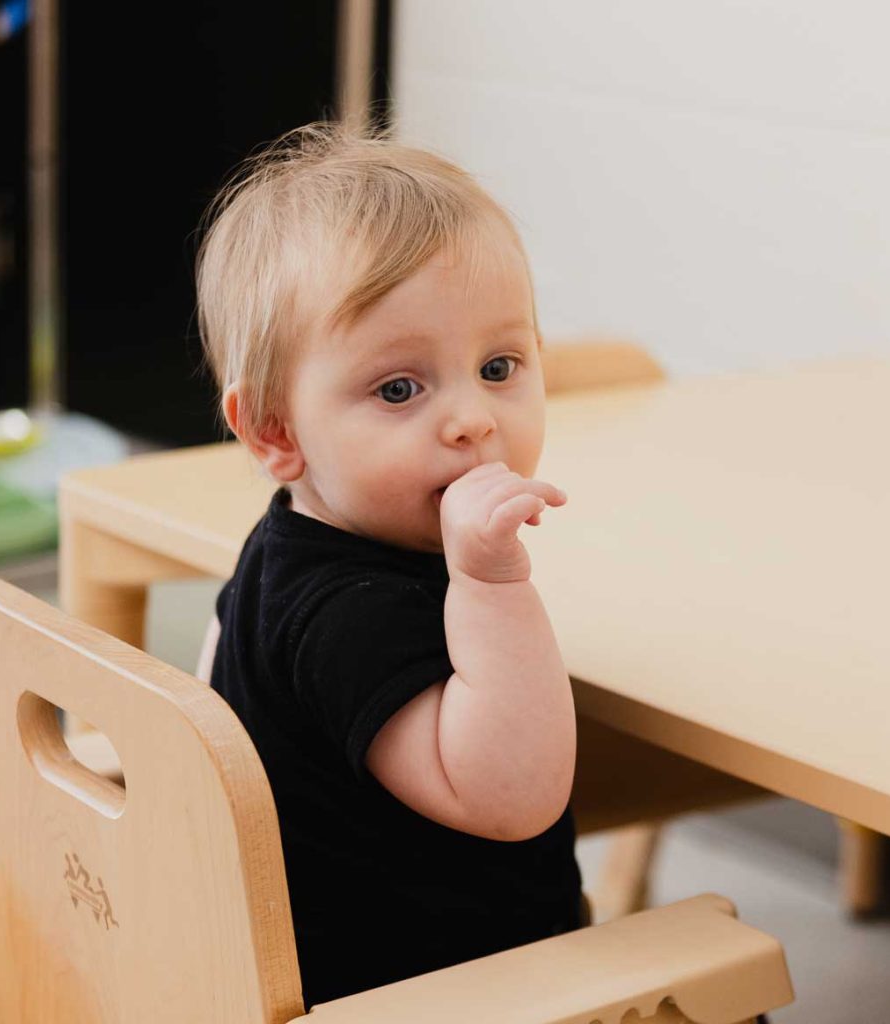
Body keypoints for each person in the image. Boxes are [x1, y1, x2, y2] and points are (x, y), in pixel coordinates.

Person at [195, 122, 584, 1008]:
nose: (473, 420)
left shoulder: (290, 548)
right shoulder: (351, 612)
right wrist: (492, 584)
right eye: (399, 389)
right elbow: (513, 795)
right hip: (434, 994)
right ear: (275, 432)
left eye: (498, 366)